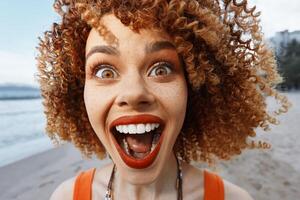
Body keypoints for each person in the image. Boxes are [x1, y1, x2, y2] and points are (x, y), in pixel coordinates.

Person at [37, 0, 289, 199]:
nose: (134, 93)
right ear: (79, 94)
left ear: (193, 88)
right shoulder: (66, 197)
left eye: (161, 69)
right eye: (105, 71)